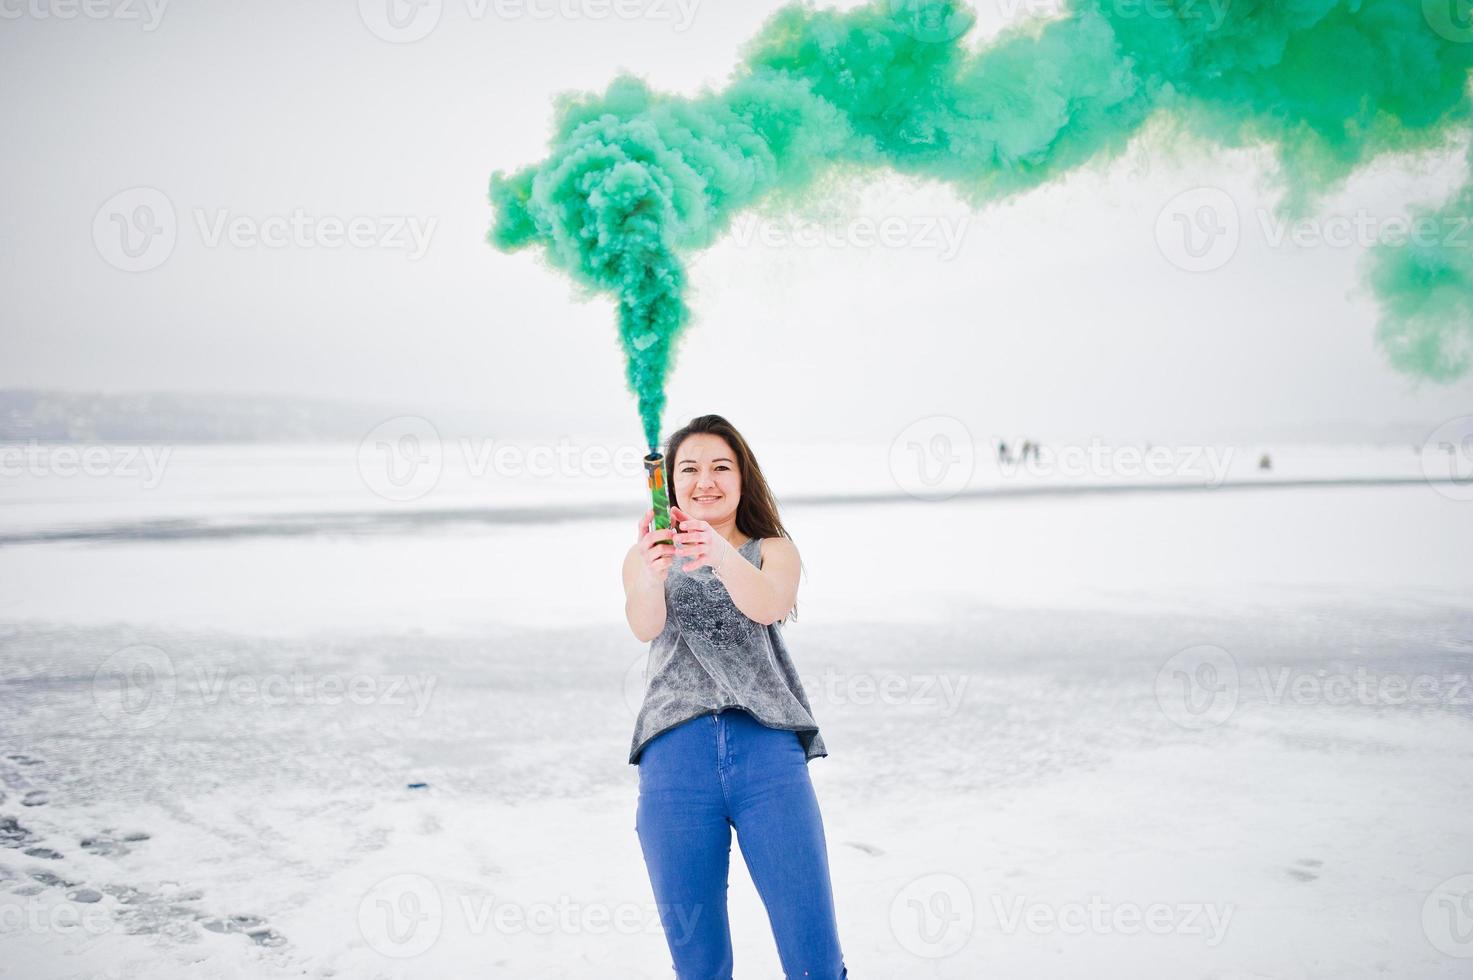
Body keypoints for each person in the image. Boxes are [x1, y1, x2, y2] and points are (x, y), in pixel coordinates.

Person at [621, 413, 849, 980]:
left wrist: (719, 553)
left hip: (767, 754)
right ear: (669, 482)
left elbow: (767, 604)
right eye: (690, 468)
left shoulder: (774, 549)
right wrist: (653, 575)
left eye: (721, 467)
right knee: (698, 965)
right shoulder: (648, 553)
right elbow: (644, 625)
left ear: (743, 478)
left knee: (813, 957)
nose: (706, 481)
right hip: (674, 757)